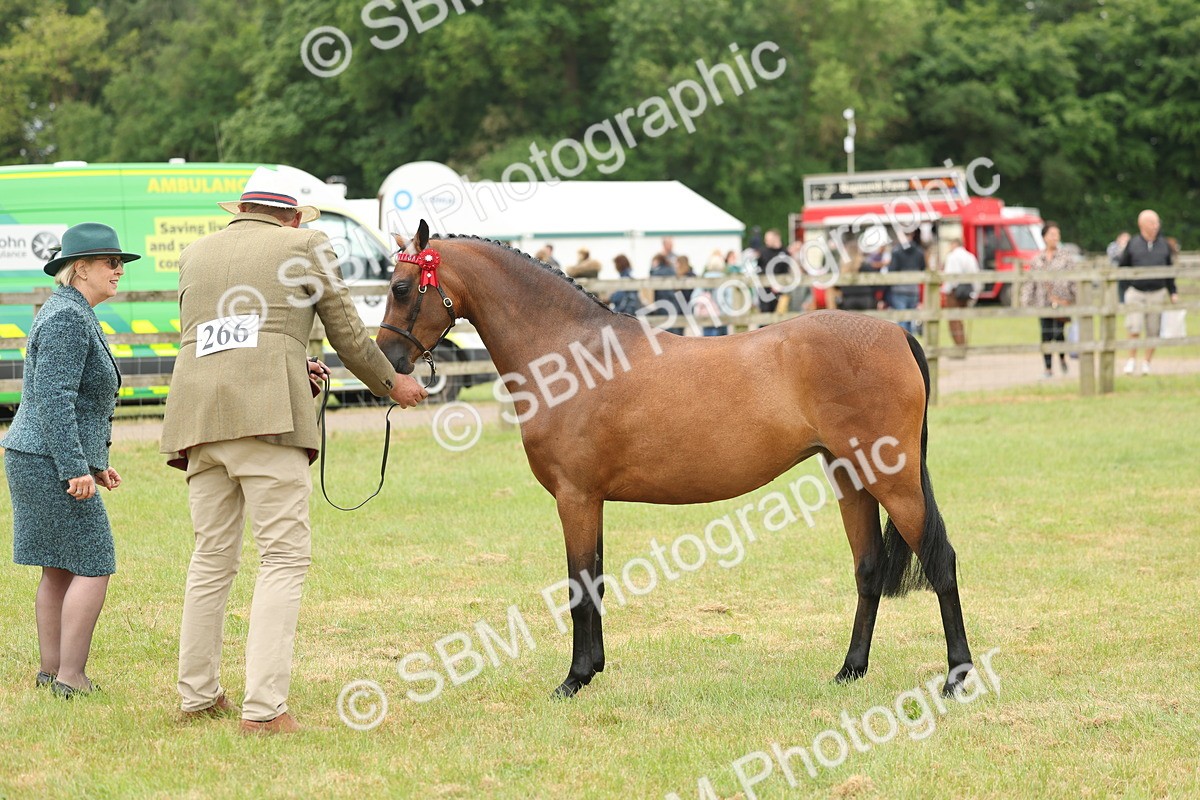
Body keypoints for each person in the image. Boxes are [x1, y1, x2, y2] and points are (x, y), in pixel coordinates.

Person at [160, 167, 428, 734]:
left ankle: (197, 695)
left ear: (241, 210)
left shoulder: (195, 253)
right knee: (282, 558)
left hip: (198, 418)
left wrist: (289, 358)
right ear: (289, 216)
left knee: (211, 558)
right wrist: (393, 384)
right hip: (268, 418)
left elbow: (212, 335)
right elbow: (348, 336)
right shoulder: (306, 244)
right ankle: (264, 710)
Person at [1, 223, 139, 698]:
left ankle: (51, 673)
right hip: (47, 458)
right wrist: (74, 468)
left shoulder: (72, 310)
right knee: (94, 562)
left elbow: (73, 401)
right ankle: (70, 676)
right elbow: (55, 399)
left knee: (59, 566)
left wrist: (94, 463)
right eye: (111, 262)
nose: (119, 270)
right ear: (80, 268)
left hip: (39, 455)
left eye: (120, 263)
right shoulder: (67, 317)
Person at [1117, 209, 1178, 375]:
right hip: (1136, 291)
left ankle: (1146, 363)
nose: (1156, 226)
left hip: (1157, 292)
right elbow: (1122, 268)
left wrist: (1172, 291)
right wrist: (1125, 290)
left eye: (1157, 222)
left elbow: (1170, 270)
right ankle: (1131, 360)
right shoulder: (1133, 243)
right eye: (1152, 223)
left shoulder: (1164, 245)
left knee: (1153, 330)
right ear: (1142, 225)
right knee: (1134, 327)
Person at [1021, 222, 1077, 378]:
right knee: (1045, 334)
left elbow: (1074, 280)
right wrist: (1025, 301)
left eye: (1057, 234)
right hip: (1043, 302)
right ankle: (1048, 368)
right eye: (1052, 234)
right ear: (1044, 237)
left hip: (1061, 302)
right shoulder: (1037, 259)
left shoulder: (1065, 257)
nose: (1055, 237)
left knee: (1058, 333)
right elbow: (1030, 282)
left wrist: (1074, 299)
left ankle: (1062, 358)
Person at [941, 238, 983, 350]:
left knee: (954, 320)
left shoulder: (952, 257)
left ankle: (959, 347)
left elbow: (950, 276)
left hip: (954, 291)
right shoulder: (970, 256)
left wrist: (945, 290)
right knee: (961, 319)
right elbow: (976, 275)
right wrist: (975, 293)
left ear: (954, 244)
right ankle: (963, 344)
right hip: (967, 291)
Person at [887, 235, 925, 334]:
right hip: (913, 289)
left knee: (902, 320)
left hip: (899, 289)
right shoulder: (919, 251)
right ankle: (909, 342)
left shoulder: (896, 251)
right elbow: (922, 268)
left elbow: (892, 270)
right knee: (910, 320)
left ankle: (903, 342)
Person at [756, 229, 788, 312]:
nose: (765, 241)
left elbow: (786, 271)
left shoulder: (785, 252)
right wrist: (770, 284)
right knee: (765, 312)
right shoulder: (763, 252)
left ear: (776, 238)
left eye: (768, 239)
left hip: (780, 289)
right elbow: (759, 270)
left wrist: (780, 284)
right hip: (765, 289)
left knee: (781, 313)